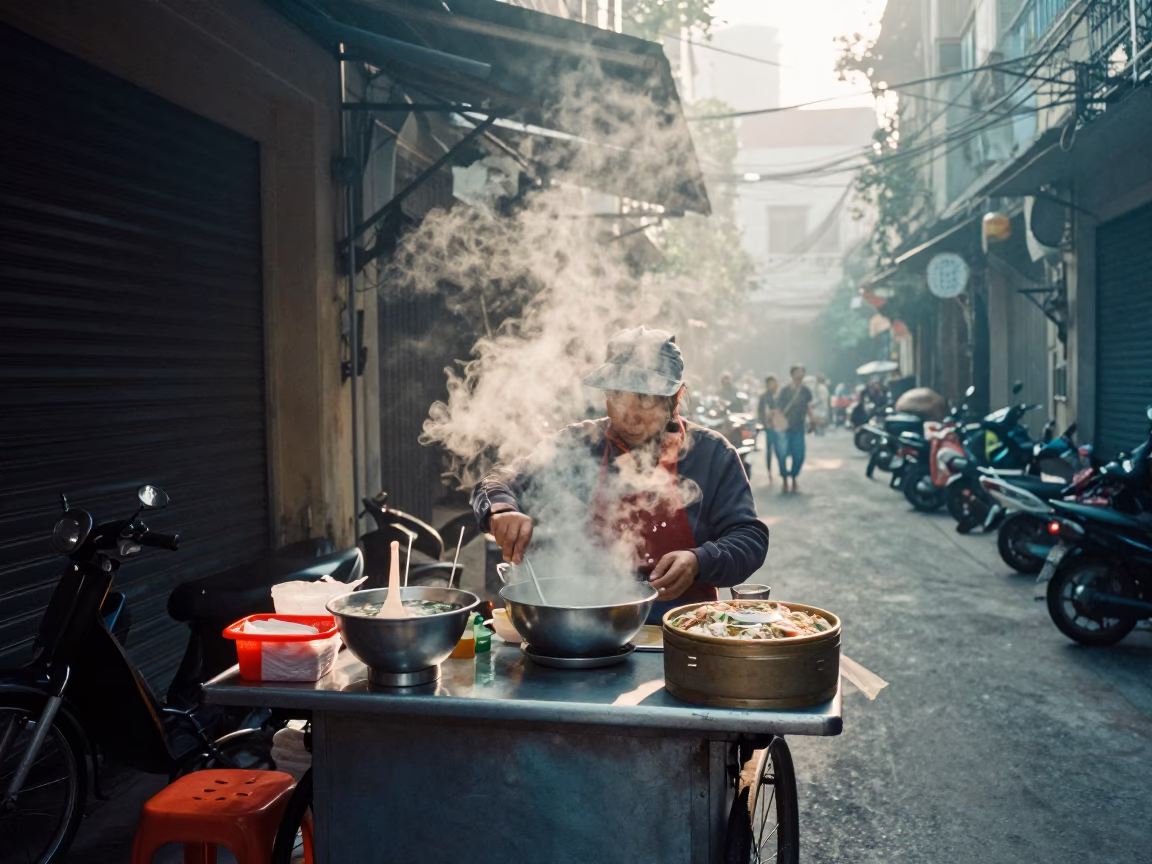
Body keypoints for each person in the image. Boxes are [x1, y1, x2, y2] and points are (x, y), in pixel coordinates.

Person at [472, 327, 770, 624]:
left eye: (644, 398)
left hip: (685, 628)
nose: (629, 415)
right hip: (587, 627)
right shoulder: (578, 444)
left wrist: (700, 560)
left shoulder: (713, 454)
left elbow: (750, 538)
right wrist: (500, 508)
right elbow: (498, 481)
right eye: (617, 396)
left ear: (675, 398)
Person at [774, 363, 814, 493]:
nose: (800, 374)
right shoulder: (784, 390)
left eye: (802, 372)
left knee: (799, 455)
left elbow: (808, 406)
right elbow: (778, 409)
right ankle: (785, 479)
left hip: (798, 427)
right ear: (792, 374)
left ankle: (794, 476)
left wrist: (812, 420)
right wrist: (780, 422)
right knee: (782, 455)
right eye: (798, 372)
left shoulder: (806, 391)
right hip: (784, 429)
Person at [756, 375, 781, 484]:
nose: (772, 385)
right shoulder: (764, 397)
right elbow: (760, 411)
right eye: (770, 383)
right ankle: (769, 471)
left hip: (780, 426)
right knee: (770, 449)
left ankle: (782, 470)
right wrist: (764, 422)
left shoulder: (780, 395)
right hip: (770, 426)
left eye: (774, 383)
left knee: (780, 449)